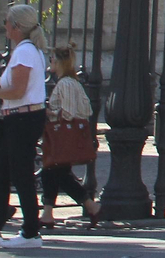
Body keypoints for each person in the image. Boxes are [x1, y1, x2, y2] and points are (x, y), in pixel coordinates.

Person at [0, 2, 50, 248]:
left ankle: (30, 232)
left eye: (7, 22)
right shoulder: (28, 50)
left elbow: (17, 91)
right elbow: (16, 87)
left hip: (23, 118)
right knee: (1, 173)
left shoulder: (25, 51)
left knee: (21, 175)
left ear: (16, 26)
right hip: (21, 117)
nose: (5, 27)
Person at [39, 45, 99, 230]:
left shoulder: (65, 83)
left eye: (52, 59)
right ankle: (47, 213)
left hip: (63, 137)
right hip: (66, 137)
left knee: (55, 172)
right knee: (53, 171)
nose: (50, 63)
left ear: (59, 62)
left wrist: (48, 111)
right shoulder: (72, 82)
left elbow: (68, 113)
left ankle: (91, 206)